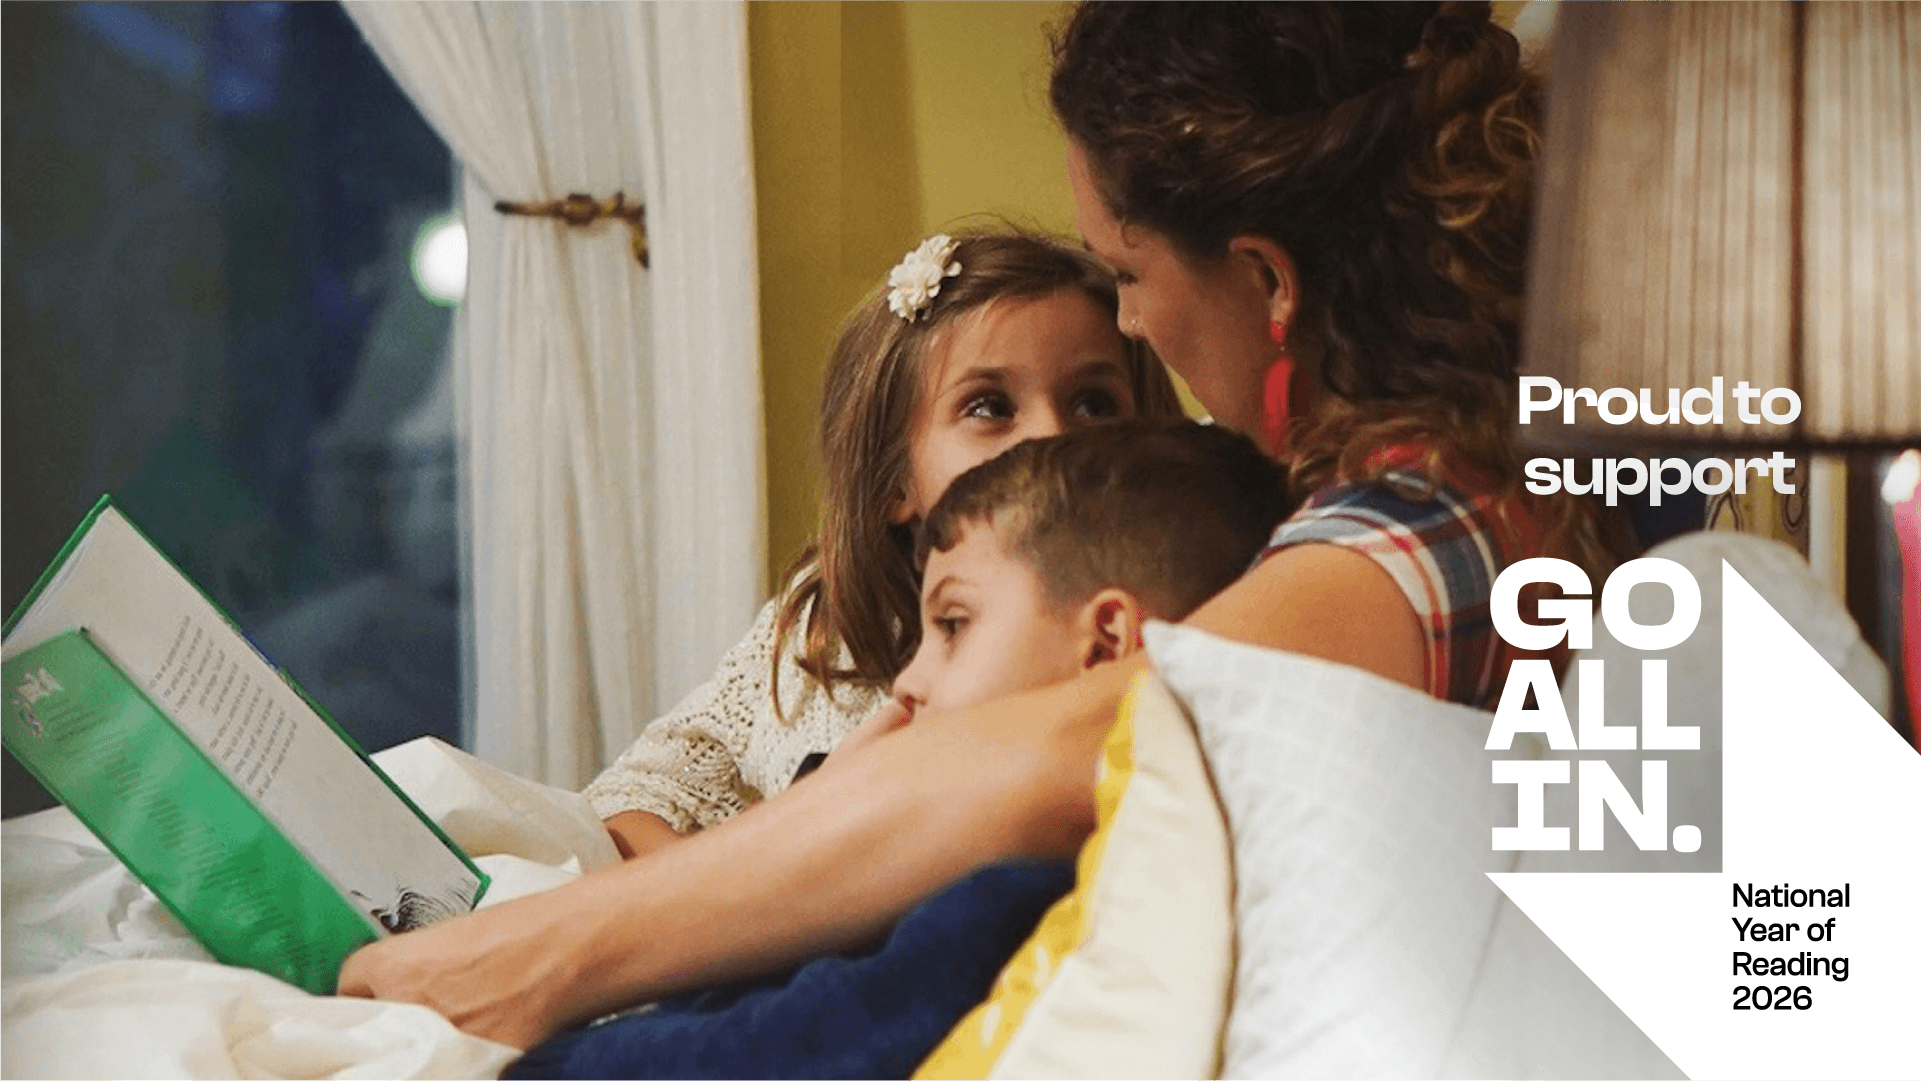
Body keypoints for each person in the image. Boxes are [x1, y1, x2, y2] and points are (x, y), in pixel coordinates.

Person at [338, 1, 1616, 1049]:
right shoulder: (1439, 484)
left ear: (1267, 281)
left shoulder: (1434, 523)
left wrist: (537, 959)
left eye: (1127, 277)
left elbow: (1056, 760)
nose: (1132, 326)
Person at [501, 420, 1293, 1079]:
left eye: (953, 625)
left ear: (1106, 642)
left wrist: (516, 1062)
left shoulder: (1019, 887)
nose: (909, 681)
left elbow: (769, 1053)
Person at [585, 229, 1183, 860]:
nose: (1053, 437)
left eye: (1094, 404)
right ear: (898, 480)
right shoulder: (822, 624)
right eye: (989, 407)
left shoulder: (1164, 624)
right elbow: (635, 795)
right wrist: (746, 876)